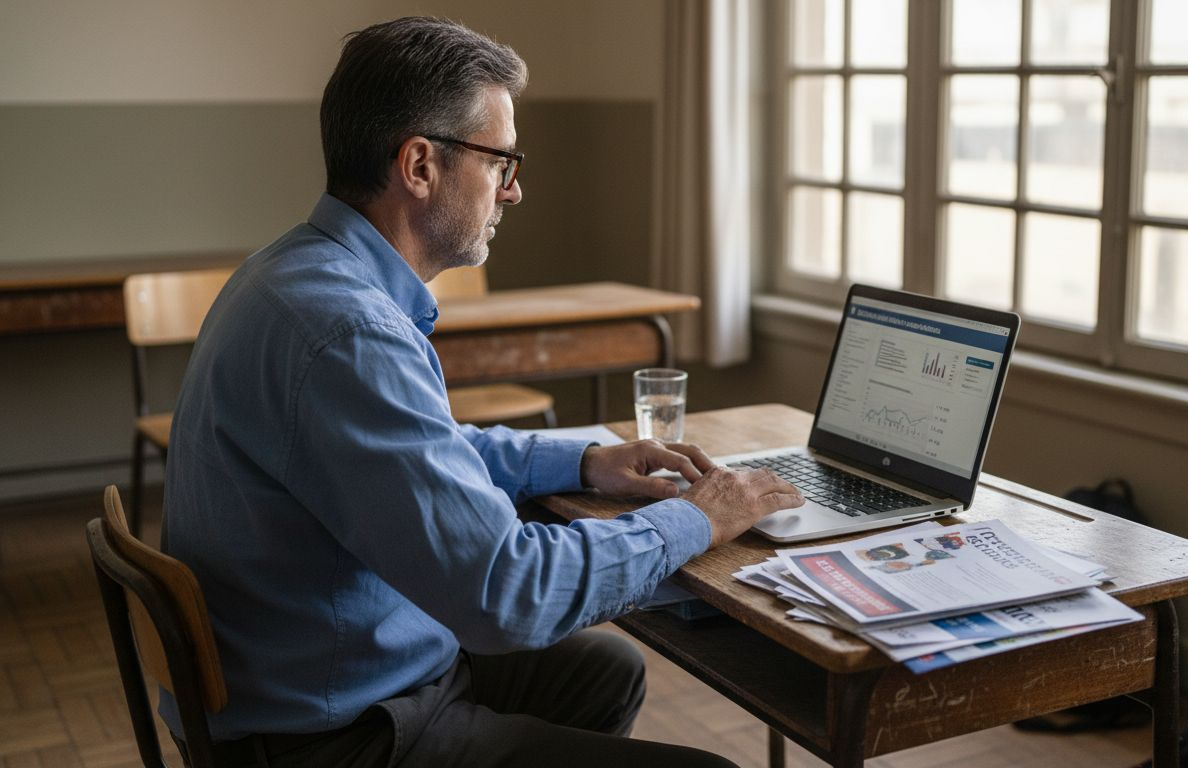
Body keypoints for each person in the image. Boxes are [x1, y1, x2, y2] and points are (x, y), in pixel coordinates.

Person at [159, 16, 804, 768]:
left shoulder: (293, 272)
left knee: (609, 670)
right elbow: (509, 593)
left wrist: (587, 462)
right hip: (335, 737)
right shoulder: (348, 331)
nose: (515, 189)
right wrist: (697, 517)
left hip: (316, 675)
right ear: (420, 166)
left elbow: (425, 452)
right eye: (502, 160)